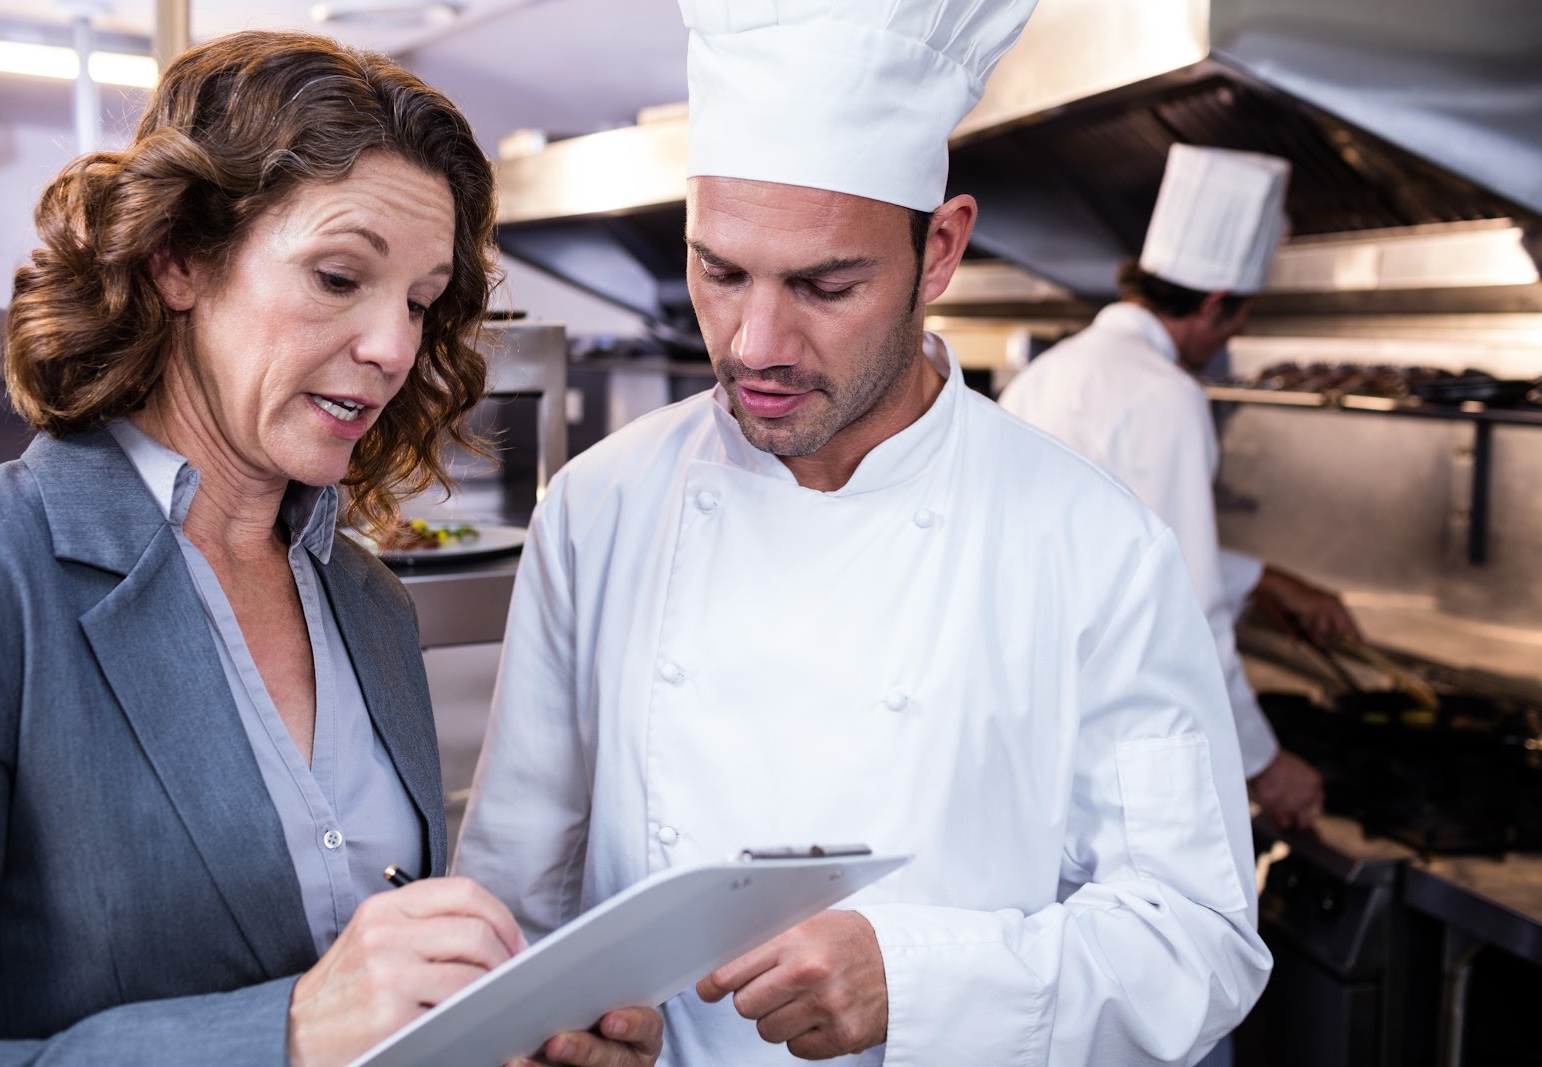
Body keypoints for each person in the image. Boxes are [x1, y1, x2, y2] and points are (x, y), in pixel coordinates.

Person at [456, 3, 1271, 1064]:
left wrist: (925, 980)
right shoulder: (598, 504)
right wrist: (538, 1029)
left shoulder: (1091, 542)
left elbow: (1198, 944)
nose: (755, 343)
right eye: (719, 271)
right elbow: (514, 896)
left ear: (939, 250)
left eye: (823, 285)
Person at [0, 31, 660, 1067]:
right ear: (176, 258)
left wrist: (495, 1031)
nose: (395, 347)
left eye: (419, 301)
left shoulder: (366, 600)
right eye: (337, 276)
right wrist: (275, 1032)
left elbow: (368, 996)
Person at [1000, 144, 1362, 831]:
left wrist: (1262, 580)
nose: (1241, 330)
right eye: (1244, 315)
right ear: (1218, 304)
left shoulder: (1052, 372)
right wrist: (1261, 763)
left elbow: (1110, 552)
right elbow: (1184, 606)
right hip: (1104, 738)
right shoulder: (1164, 394)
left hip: (1030, 722)